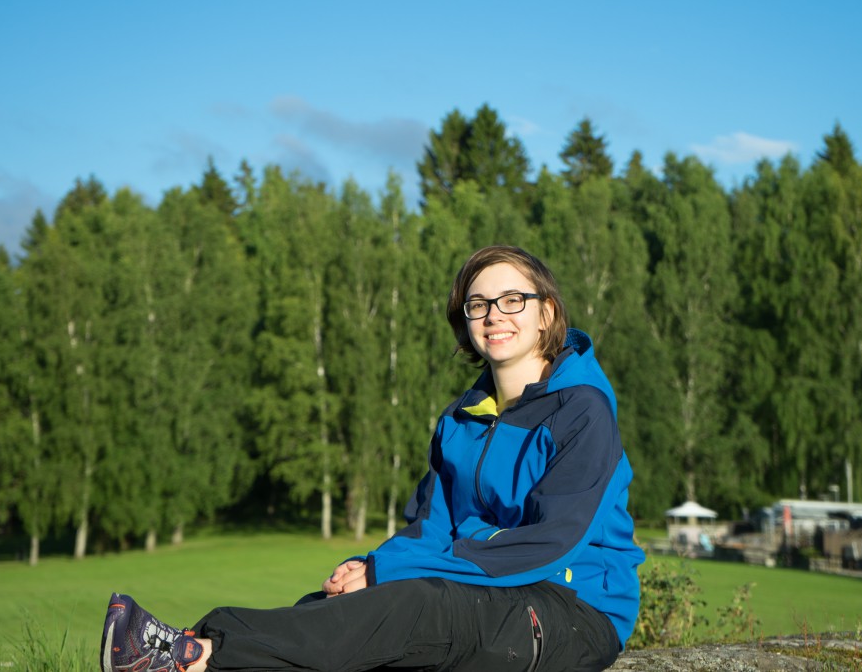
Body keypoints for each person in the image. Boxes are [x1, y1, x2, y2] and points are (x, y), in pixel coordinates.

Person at [101, 245, 646, 672]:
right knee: (331, 608)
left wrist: (389, 573)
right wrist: (370, 565)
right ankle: (187, 647)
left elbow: (551, 543)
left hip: (575, 609)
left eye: (512, 300)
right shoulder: (461, 419)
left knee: (416, 607)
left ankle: (195, 655)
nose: (493, 315)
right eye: (478, 304)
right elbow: (429, 529)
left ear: (546, 311)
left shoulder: (582, 410)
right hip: (482, 593)